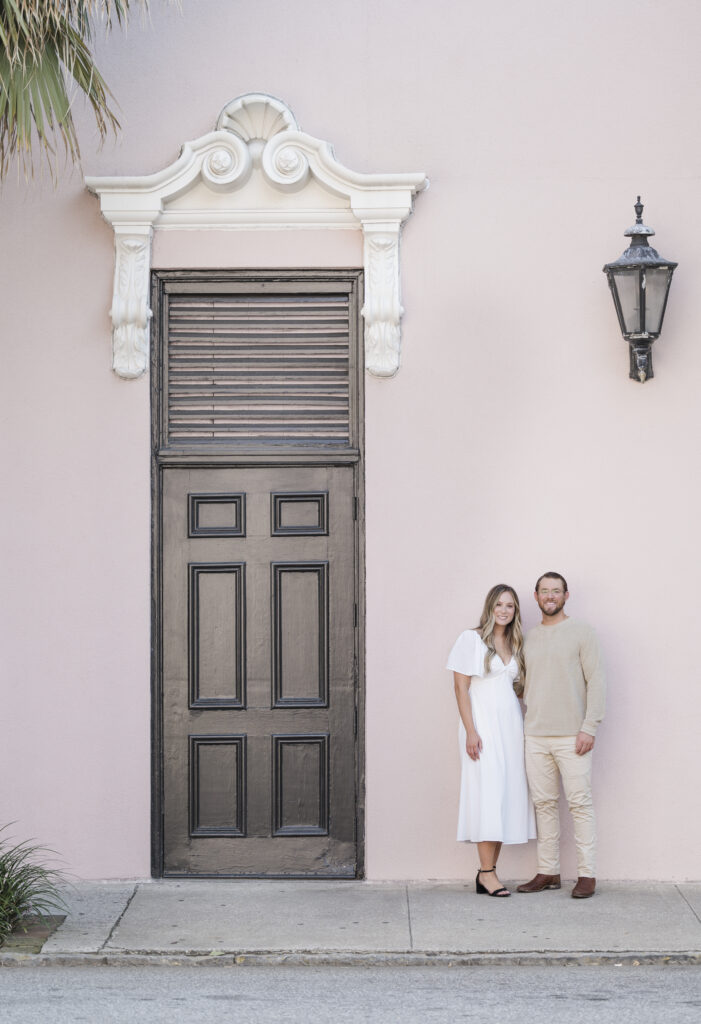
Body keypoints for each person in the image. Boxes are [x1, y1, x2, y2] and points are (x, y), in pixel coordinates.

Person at [517, 572, 606, 899]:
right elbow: (523, 684)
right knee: (544, 804)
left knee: (580, 804)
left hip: (573, 736)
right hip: (536, 735)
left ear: (566, 595)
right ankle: (548, 871)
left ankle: (587, 875)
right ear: (536, 596)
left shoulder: (582, 632)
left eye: (556, 591)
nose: (550, 596)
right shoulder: (529, 638)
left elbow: (596, 681)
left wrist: (589, 727)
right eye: (544, 591)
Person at [447, 584, 536, 897]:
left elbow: (516, 688)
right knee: (487, 794)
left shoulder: (515, 643)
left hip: (510, 727)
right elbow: (460, 688)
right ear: (489, 607)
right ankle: (487, 873)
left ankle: (487, 873)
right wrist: (471, 730)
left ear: (515, 612)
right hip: (481, 727)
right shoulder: (470, 639)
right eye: (499, 604)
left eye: (510, 606)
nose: (504, 610)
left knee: (503, 795)